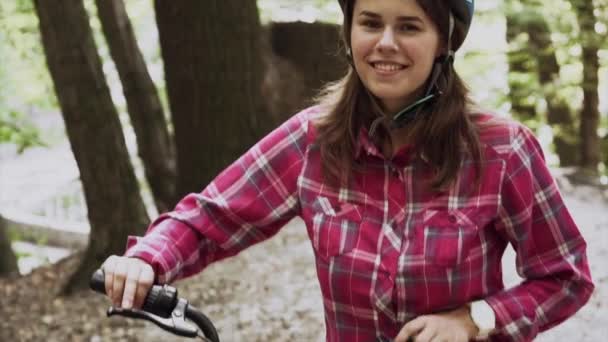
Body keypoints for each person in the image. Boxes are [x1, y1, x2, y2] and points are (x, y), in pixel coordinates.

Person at [100, 0, 595, 341]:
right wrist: (147, 260)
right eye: (370, 22)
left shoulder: (501, 150)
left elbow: (565, 277)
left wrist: (474, 319)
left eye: (409, 26)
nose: (385, 43)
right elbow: (210, 218)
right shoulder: (312, 140)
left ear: (445, 40)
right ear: (349, 31)